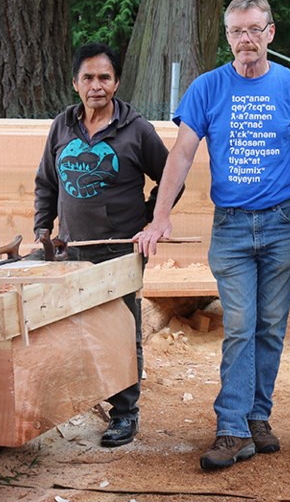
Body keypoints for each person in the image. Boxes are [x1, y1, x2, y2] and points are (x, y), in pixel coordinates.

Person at [137, 0, 290, 471]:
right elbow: (182, 153)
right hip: (232, 228)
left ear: (270, 34)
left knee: (271, 327)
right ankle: (232, 427)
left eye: (255, 30)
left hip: (283, 223)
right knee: (240, 326)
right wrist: (161, 214)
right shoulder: (207, 88)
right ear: (228, 36)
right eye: (237, 31)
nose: (246, 40)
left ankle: (258, 417)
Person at [34, 42, 173, 448]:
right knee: (74, 327)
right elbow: (47, 181)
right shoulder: (62, 126)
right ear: (75, 83)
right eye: (89, 78)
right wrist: (43, 227)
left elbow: (170, 178)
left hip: (119, 250)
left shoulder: (136, 130)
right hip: (70, 246)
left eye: (105, 78)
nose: (97, 86)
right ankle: (82, 399)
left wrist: (149, 220)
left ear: (116, 82)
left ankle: (125, 412)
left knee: (119, 329)